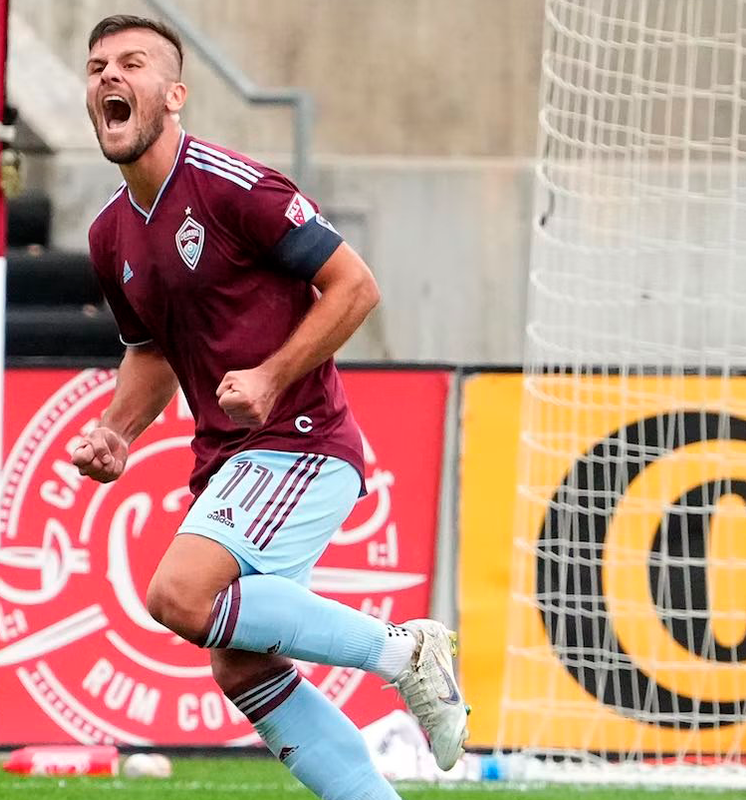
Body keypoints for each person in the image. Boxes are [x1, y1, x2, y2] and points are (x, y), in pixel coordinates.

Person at [73, 15, 468, 799]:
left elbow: (355, 286)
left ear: (174, 94)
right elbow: (151, 350)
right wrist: (116, 431)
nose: (110, 77)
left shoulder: (232, 186)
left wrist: (270, 373)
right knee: (241, 660)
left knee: (179, 596)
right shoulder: (109, 235)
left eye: (133, 62)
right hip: (231, 457)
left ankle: (404, 654)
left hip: (302, 439)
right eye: (95, 67)